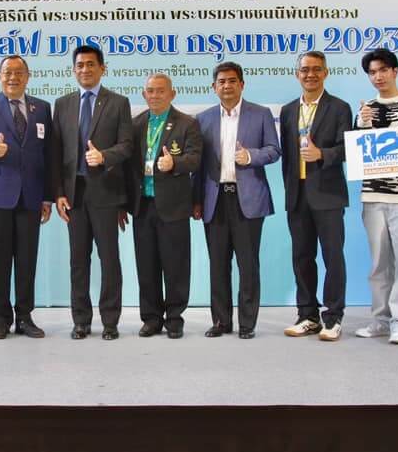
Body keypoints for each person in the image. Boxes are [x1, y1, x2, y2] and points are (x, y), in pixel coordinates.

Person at [192, 62, 281, 340]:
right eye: (221, 81)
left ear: (242, 84)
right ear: (214, 87)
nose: (227, 86)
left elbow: (274, 150)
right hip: (214, 200)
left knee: (248, 264)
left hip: (249, 200)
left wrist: (251, 156)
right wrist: (196, 201)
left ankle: (247, 323)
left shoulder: (261, 114)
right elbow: (198, 165)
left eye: (232, 81)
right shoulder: (203, 119)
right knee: (218, 264)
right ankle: (221, 321)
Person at [0, 55, 53, 340]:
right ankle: (1, 318)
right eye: (7, 72)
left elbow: (48, 154)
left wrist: (47, 197)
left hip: (31, 196)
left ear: (28, 76)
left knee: (27, 260)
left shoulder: (42, 108)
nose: (13, 77)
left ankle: (25, 317)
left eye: (18, 72)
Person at [52, 45, 133, 340]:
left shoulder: (118, 102)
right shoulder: (63, 104)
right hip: (74, 194)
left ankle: (110, 321)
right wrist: (58, 192)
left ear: (102, 68)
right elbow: (56, 152)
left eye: (90, 64)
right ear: (74, 70)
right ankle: (81, 321)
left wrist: (104, 156)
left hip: (106, 192)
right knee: (78, 261)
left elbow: (127, 145)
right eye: (80, 65)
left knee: (109, 259)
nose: (84, 69)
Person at [352, 48, 398, 346]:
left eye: (383, 70)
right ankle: (381, 320)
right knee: (379, 263)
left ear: (395, 71)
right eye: (372, 72)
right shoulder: (365, 109)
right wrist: (362, 124)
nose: (378, 77)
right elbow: (356, 153)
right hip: (373, 194)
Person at [122, 73, 202, 339]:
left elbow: (195, 159)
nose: (154, 95)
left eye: (160, 90)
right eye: (150, 91)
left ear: (172, 94)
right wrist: (123, 203)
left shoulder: (187, 123)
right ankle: (151, 318)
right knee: (146, 265)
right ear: (143, 94)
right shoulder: (135, 124)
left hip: (174, 206)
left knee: (176, 265)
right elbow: (127, 168)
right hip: (143, 205)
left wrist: (174, 164)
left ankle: (175, 318)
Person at [279, 50, 352, 341]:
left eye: (316, 69)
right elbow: (287, 156)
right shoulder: (288, 110)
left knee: (333, 257)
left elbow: (347, 148)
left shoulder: (340, 108)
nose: (310, 74)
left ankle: (333, 318)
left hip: (328, 195)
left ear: (326, 72)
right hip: (297, 196)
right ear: (297, 74)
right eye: (305, 70)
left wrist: (322, 154)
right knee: (302, 257)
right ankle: (307, 315)